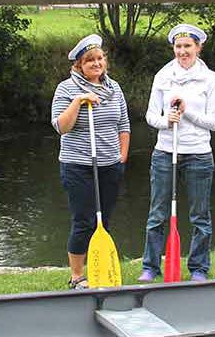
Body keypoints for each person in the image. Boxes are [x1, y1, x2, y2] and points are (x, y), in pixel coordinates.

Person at [140, 24, 215, 282]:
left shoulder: (209, 78)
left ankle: (198, 268)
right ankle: (150, 266)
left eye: (188, 46)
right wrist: (167, 121)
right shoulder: (163, 76)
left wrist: (187, 113)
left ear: (198, 47)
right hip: (165, 151)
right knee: (157, 213)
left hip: (198, 154)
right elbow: (151, 115)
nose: (182, 51)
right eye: (178, 46)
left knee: (200, 215)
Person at [50, 34, 131, 289]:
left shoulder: (114, 87)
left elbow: (124, 124)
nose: (96, 64)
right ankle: (76, 276)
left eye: (99, 58)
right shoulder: (66, 88)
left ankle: (99, 269)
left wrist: (122, 155)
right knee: (84, 220)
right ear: (79, 65)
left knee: (103, 221)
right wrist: (78, 101)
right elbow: (61, 127)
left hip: (110, 165)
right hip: (78, 166)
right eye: (89, 61)